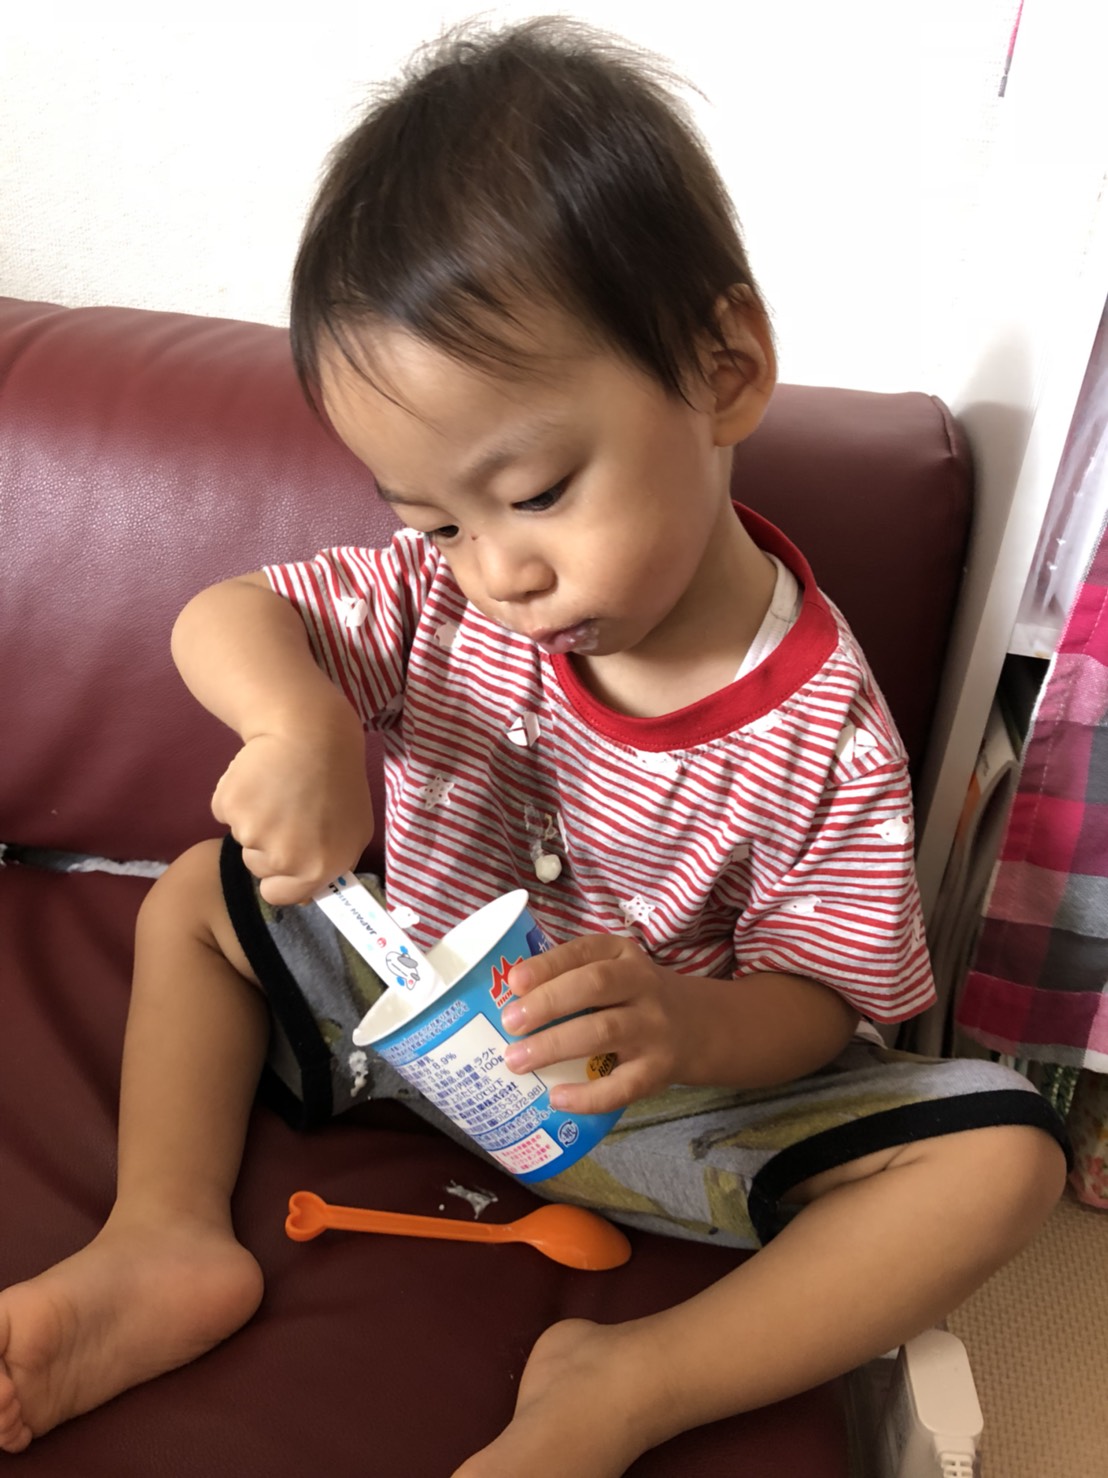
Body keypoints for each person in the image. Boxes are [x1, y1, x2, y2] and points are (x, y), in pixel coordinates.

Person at [0, 18, 1068, 1476]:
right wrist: (299, 716)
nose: (497, 569)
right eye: (438, 520)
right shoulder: (443, 601)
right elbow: (225, 616)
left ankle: (626, 1384)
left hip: (661, 1110)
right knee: (197, 894)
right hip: (416, 1037)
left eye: (541, 491)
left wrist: (686, 1028)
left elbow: (825, 1002)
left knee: (1003, 1159)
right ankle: (162, 1241)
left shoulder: (824, 726)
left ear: (725, 369)